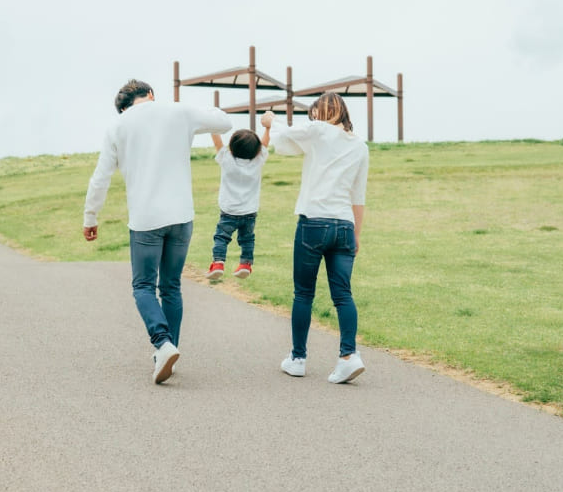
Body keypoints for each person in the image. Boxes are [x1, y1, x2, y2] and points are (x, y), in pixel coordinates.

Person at [83, 79, 232, 384]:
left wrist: (90, 217)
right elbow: (224, 121)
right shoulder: (177, 111)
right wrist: (201, 109)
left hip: (146, 219)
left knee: (142, 286)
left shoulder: (118, 126)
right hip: (181, 216)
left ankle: (162, 344)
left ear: (123, 107)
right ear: (150, 94)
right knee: (171, 287)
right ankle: (168, 351)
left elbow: (100, 179)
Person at [263, 93, 370, 383]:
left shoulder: (318, 130)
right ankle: (349, 356)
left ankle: (298, 358)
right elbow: (358, 197)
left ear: (322, 113)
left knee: (304, 293)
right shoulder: (360, 146)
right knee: (343, 294)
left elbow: (284, 137)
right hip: (345, 226)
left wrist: (270, 121)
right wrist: (357, 234)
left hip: (314, 222)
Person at [206, 124, 271, 281]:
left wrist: (212, 123)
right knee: (247, 239)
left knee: (221, 238)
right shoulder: (258, 161)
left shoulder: (226, 159)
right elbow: (265, 144)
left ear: (232, 147)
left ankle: (218, 264)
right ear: (256, 150)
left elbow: (216, 142)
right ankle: (245, 265)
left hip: (228, 211)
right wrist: (268, 128)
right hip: (249, 212)